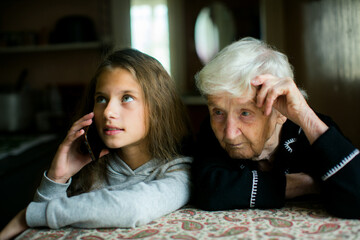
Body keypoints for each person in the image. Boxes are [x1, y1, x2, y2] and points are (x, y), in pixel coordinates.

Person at [0, 49, 193, 239]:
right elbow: (44, 233)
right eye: (101, 99)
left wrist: (27, 216)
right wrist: (58, 177)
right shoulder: (91, 169)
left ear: (158, 107)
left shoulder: (179, 171)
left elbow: (133, 208)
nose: (108, 112)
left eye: (127, 98)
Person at [191, 37, 360, 219]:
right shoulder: (211, 131)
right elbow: (208, 190)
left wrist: (305, 115)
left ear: (280, 113)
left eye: (245, 113)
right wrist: (303, 184)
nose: (230, 134)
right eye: (218, 112)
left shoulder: (315, 130)